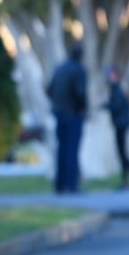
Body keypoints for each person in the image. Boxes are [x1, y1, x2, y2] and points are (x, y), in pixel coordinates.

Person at [47, 43, 87, 193]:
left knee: (61, 149)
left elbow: (49, 90)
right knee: (72, 150)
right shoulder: (78, 69)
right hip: (73, 114)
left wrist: (58, 105)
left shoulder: (59, 68)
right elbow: (80, 93)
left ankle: (60, 185)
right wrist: (82, 108)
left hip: (59, 113)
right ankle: (72, 185)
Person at [103, 66, 129, 188]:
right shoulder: (117, 88)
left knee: (122, 153)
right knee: (122, 152)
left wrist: (103, 105)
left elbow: (116, 106)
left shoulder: (116, 88)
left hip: (121, 124)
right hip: (121, 123)